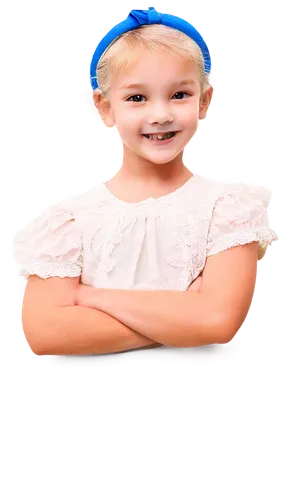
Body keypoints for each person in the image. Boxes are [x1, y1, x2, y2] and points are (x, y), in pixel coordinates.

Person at [10, 5, 279, 362]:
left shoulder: (227, 207)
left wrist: (90, 298)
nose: (160, 114)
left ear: (205, 101)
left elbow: (216, 323)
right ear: (104, 107)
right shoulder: (68, 221)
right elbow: (45, 336)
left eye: (179, 94)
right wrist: (185, 323)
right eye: (137, 97)